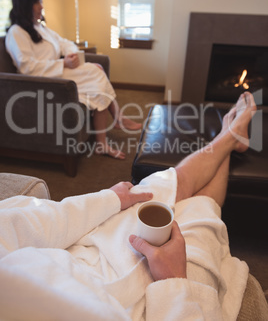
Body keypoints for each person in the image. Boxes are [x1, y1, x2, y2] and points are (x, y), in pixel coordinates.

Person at [0, 92, 257, 320]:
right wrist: (173, 281)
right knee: (201, 212)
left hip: (83, 257)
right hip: (153, 305)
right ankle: (232, 134)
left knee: (165, 185)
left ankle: (230, 135)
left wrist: (110, 198)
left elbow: (24, 225)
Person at [5, 0, 141, 160]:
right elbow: (27, 67)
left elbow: (64, 42)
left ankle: (105, 138)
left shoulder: (39, 28)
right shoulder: (16, 33)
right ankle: (117, 120)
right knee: (97, 73)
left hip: (57, 73)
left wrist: (71, 54)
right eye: (37, 2)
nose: (41, 6)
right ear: (24, 5)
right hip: (42, 81)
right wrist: (63, 64)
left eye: (41, 1)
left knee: (97, 74)